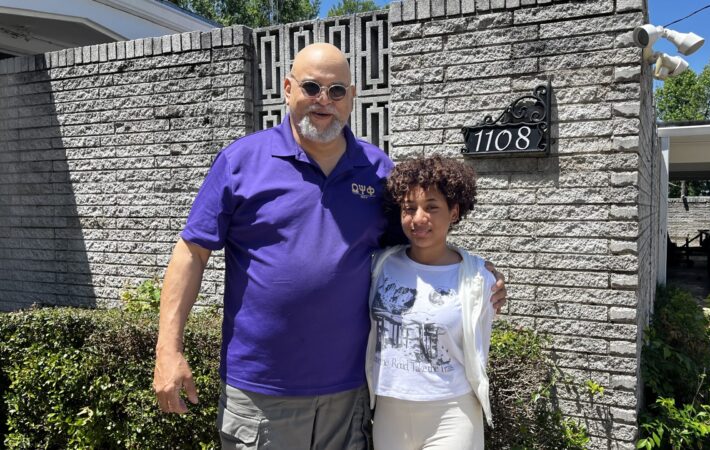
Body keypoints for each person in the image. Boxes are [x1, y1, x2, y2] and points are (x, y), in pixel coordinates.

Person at [152, 43, 507, 449]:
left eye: (337, 91)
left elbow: (418, 243)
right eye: (311, 87)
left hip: (348, 392)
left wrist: (474, 273)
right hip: (262, 390)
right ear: (287, 89)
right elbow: (191, 253)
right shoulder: (240, 161)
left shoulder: (377, 171)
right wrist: (168, 349)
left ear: (352, 98)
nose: (324, 101)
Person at [365, 156, 495, 450]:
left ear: (454, 212)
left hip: (452, 411)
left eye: (432, 207)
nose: (419, 218)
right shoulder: (379, 265)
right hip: (389, 410)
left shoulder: (477, 279)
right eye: (409, 208)